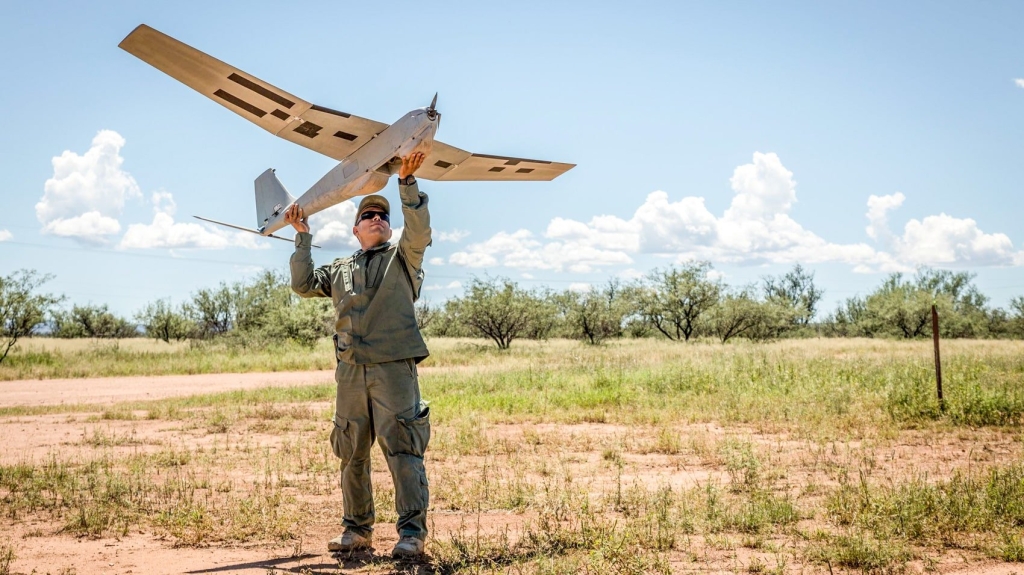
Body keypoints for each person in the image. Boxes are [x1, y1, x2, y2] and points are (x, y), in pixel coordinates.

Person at [284, 152, 432, 559]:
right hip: (350, 373)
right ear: (355, 229)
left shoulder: (403, 260)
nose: (376, 219)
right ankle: (356, 530)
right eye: (368, 215)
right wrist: (302, 235)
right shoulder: (339, 269)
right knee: (351, 451)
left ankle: (412, 534)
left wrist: (406, 183)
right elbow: (301, 284)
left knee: (403, 450)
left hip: (393, 370)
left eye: (382, 216)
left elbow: (417, 232)